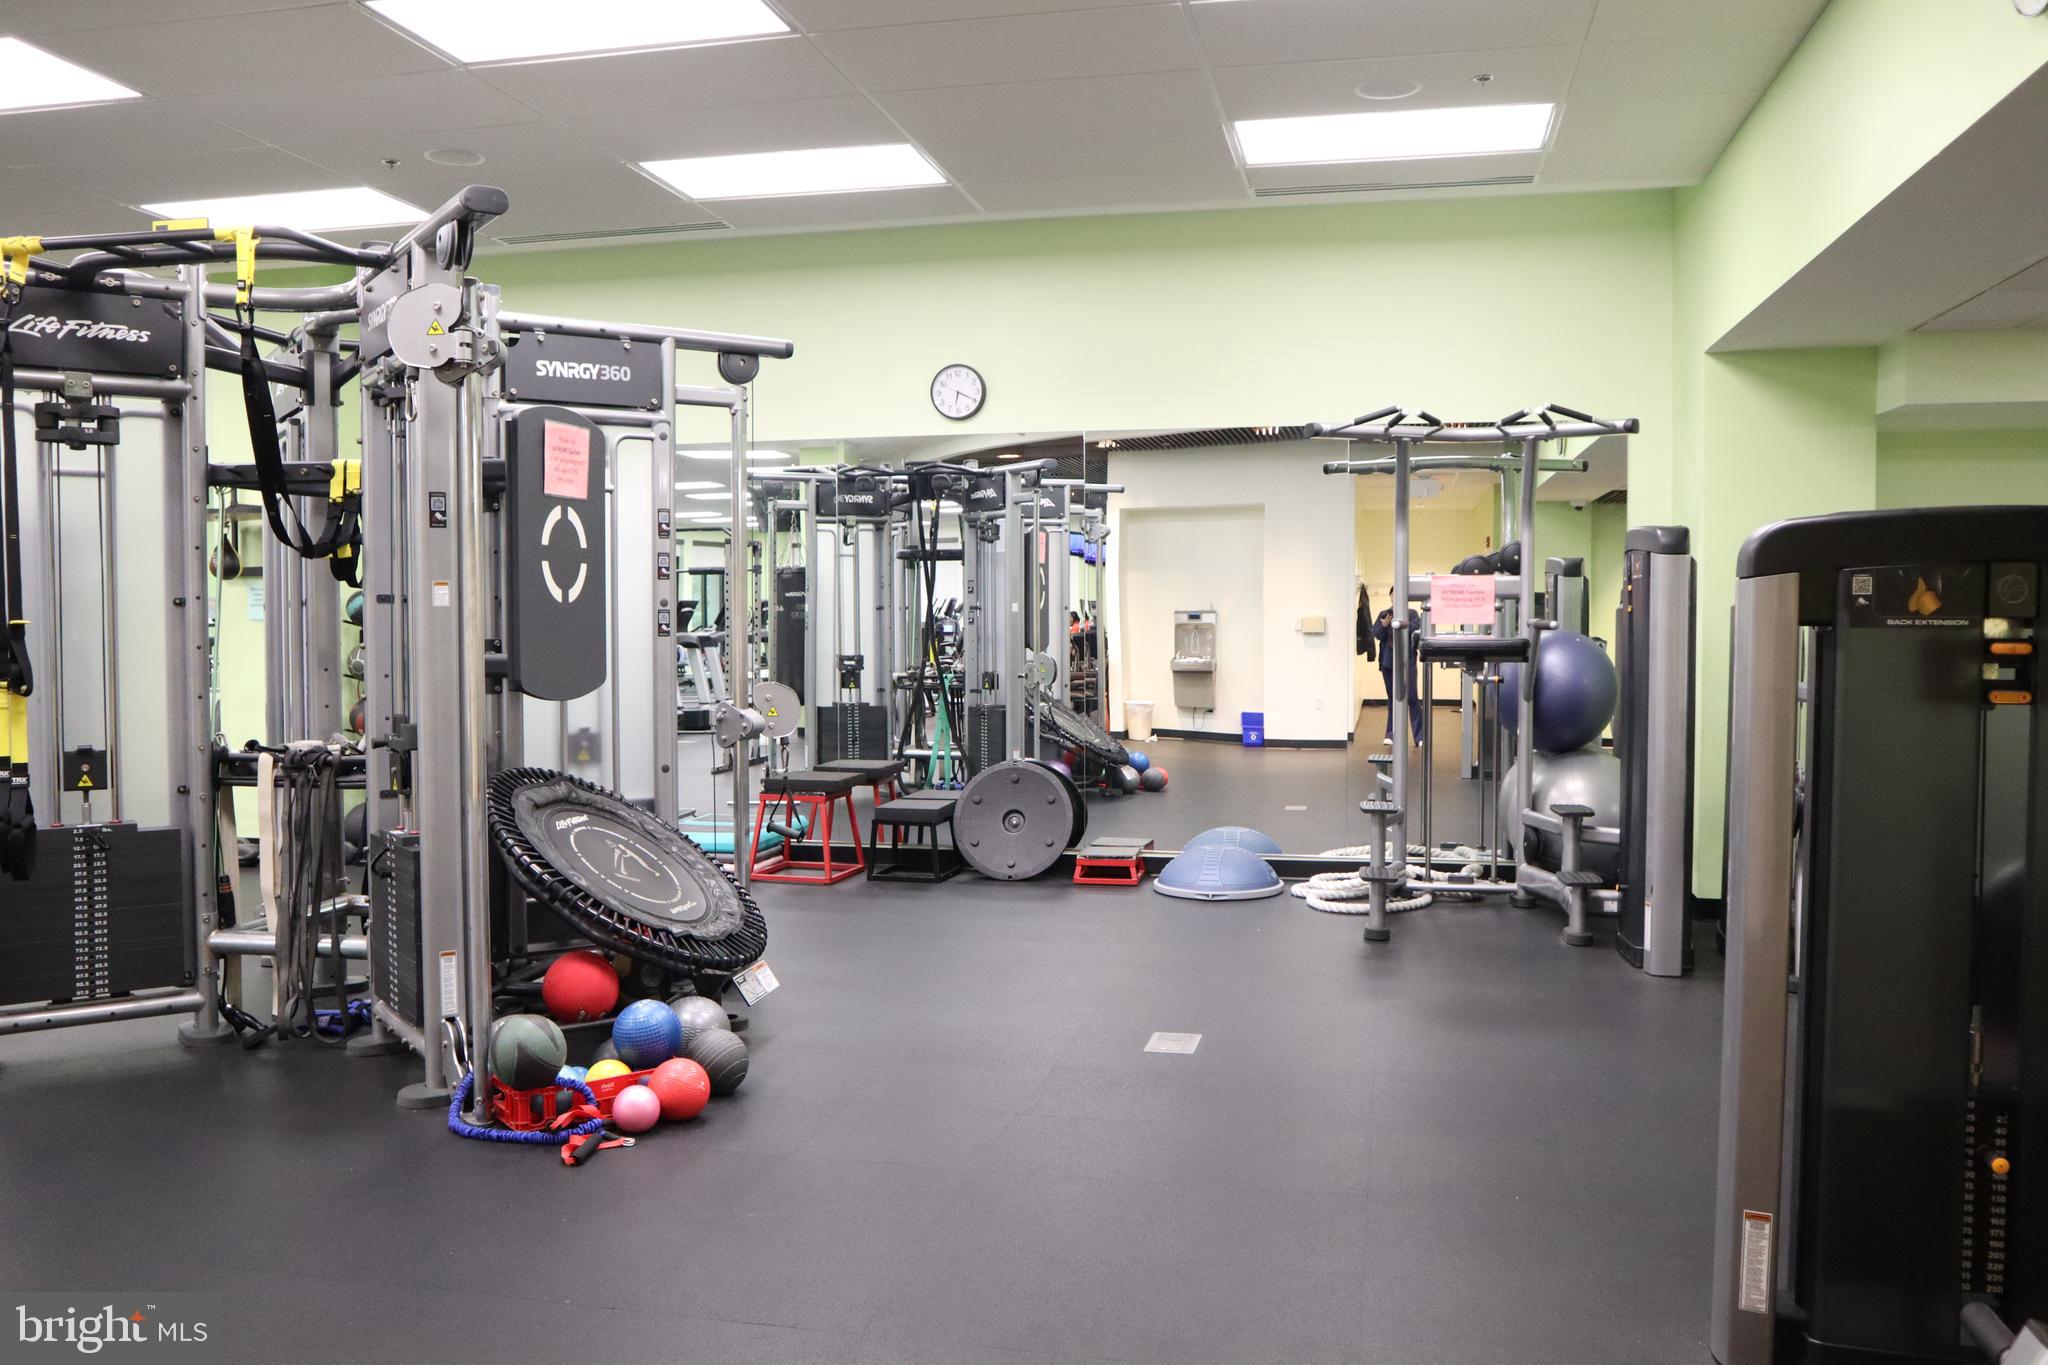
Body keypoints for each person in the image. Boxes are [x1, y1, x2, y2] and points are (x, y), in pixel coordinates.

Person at [1371, 606, 1426, 746]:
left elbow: (1418, 631)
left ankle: (1419, 737)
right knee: (1392, 699)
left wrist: (1403, 623)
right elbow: (1376, 634)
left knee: (1412, 697)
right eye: (1392, 594)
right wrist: (1384, 625)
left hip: (1408, 661)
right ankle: (1390, 734)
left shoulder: (1412, 614)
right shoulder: (1384, 613)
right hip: (1388, 663)